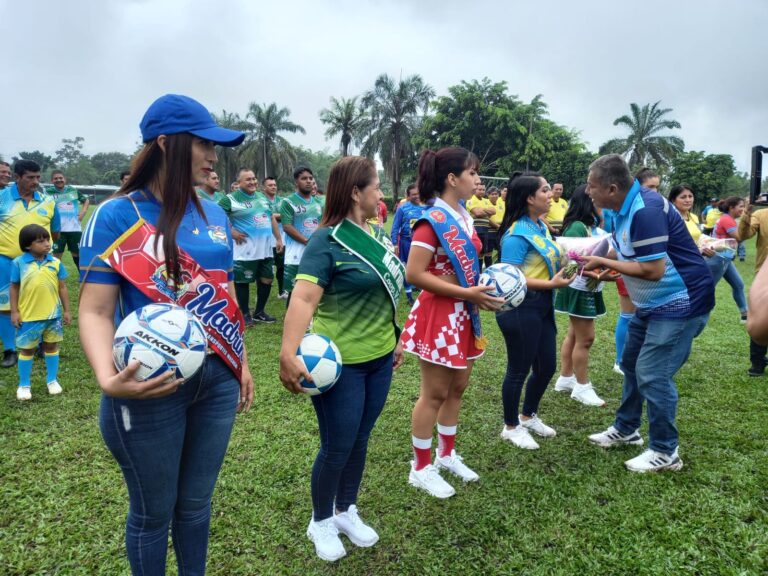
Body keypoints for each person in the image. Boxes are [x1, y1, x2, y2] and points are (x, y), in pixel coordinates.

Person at [78, 94, 253, 575]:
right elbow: (95, 311)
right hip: (146, 385)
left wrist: (240, 361)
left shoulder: (216, 214)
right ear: (165, 143)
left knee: (196, 506)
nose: (214, 157)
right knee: (153, 514)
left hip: (216, 380)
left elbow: (225, 296)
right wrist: (106, 379)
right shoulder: (116, 215)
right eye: (203, 144)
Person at [279, 156, 405, 562]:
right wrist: (287, 352)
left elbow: (388, 294)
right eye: (376, 187)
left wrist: (397, 336)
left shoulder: (379, 235)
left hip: (381, 358)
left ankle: (345, 509)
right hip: (341, 366)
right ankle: (320, 521)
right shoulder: (327, 240)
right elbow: (303, 297)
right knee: (337, 446)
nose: (381, 194)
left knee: (361, 438)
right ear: (355, 192)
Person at [584, 154, 714, 473]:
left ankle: (665, 451)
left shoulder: (646, 209)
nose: (588, 191)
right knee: (631, 364)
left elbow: (653, 270)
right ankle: (627, 429)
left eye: (592, 186)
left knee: (653, 374)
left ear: (612, 188)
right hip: (652, 303)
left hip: (681, 300)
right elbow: (623, 249)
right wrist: (606, 263)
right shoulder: (619, 209)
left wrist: (606, 264)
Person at [401, 146, 503, 498]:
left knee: (458, 387)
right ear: (452, 178)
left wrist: (479, 294)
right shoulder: (432, 221)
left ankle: (446, 455)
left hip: (465, 311)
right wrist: (468, 294)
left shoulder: (461, 214)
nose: (478, 180)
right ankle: (421, 466)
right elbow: (414, 273)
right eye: (473, 173)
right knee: (434, 393)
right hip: (441, 313)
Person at [496, 172, 574, 449]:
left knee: (546, 366)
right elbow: (509, 278)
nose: (550, 194)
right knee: (518, 369)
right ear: (530, 198)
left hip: (542, 304)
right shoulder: (516, 235)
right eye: (544, 190)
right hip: (520, 308)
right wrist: (550, 283)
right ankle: (510, 426)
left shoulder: (540, 227)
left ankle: (527, 416)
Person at [0, 160, 61, 368]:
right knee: (6, 306)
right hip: (6, 261)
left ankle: (41, 344)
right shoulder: (1, 198)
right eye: (30, 177)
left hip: (40, 264)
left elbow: (55, 232)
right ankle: (10, 350)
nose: (36, 181)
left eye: (38, 177)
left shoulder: (48, 201)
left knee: (42, 301)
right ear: (17, 177)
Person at [553, 185, 609, 407]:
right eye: (597, 201)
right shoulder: (577, 227)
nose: (601, 206)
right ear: (588, 203)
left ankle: (566, 378)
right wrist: (596, 272)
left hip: (586, 286)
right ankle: (582, 387)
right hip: (579, 287)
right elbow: (569, 265)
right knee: (586, 338)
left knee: (574, 335)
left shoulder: (587, 226)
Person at [10, 224, 70, 400]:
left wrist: (67, 310)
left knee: (51, 347)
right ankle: (24, 385)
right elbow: (14, 288)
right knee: (27, 350)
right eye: (40, 241)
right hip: (29, 316)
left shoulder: (56, 263)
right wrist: (14, 311)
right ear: (28, 245)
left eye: (47, 239)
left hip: (53, 317)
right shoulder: (18, 263)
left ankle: (52, 380)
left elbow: (63, 287)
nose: (46, 243)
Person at [220, 168, 282, 325]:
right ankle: (245, 314)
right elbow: (215, 216)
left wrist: (279, 238)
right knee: (243, 282)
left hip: (266, 249)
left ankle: (259, 312)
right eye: (248, 179)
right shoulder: (230, 199)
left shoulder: (262, 197)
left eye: (254, 178)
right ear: (238, 183)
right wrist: (231, 231)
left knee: (267, 279)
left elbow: (271, 218)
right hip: (245, 250)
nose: (252, 182)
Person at [280, 166, 323, 303]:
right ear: (296, 182)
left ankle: (310, 322)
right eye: (304, 178)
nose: (309, 181)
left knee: (314, 289)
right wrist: (306, 241)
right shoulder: (288, 202)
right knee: (295, 292)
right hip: (295, 255)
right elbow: (287, 226)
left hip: (315, 253)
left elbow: (322, 225)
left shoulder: (318, 203)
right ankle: (292, 322)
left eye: (311, 178)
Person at [739, 200, 768, 375]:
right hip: (764, 274)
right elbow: (743, 235)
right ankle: (757, 362)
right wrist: (747, 214)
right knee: (760, 317)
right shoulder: (762, 214)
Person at [713, 196, 749, 323]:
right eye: (741, 206)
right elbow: (739, 237)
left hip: (725, 258)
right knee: (707, 287)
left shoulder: (728, 218)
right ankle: (694, 312)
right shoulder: (727, 220)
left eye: (744, 206)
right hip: (718, 258)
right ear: (731, 208)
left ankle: (745, 314)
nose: (742, 209)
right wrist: (751, 225)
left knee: (738, 285)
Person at [46, 170, 90, 268]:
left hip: (74, 229)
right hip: (56, 230)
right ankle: (55, 279)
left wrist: (83, 212)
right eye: (56, 178)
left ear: (64, 179)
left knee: (77, 255)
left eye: (60, 178)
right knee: (56, 256)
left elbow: (86, 200)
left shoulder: (72, 190)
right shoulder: (48, 192)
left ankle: (83, 277)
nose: (58, 180)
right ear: (52, 181)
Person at [390, 183, 424, 305]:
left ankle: (420, 287)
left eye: (418, 193)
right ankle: (409, 296)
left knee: (422, 268)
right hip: (406, 242)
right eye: (413, 194)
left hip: (422, 244)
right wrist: (394, 243)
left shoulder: (426, 208)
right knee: (407, 269)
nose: (416, 196)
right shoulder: (403, 209)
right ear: (408, 196)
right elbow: (395, 227)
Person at [262, 176, 288, 299]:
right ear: (264, 187)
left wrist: (273, 216)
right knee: (264, 268)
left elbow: (287, 216)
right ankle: (262, 293)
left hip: (281, 238)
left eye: (274, 185)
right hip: (265, 239)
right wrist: (276, 216)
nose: (273, 187)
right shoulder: (260, 201)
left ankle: (282, 291)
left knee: (282, 266)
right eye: (270, 185)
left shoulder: (283, 201)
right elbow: (263, 216)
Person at [466, 182, 496, 270]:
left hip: (485, 230)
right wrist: (486, 211)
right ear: (475, 189)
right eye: (480, 189)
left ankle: (485, 273)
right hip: (476, 230)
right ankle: (476, 272)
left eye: (483, 190)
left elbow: (494, 211)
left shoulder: (486, 200)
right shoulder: (471, 199)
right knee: (476, 253)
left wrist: (480, 209)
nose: (482, 191)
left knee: (484, 253)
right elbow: (477, 213)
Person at [487, 186, 505, 260]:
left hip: (500, 230)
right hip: (490, 230)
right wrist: (497, 226)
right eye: (492, 194)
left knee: (501, 250)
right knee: (489, 252)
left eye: (496, 194)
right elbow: (486, 218)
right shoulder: (485, 203)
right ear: (488, 195)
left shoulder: (501, 204)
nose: (494, 196)